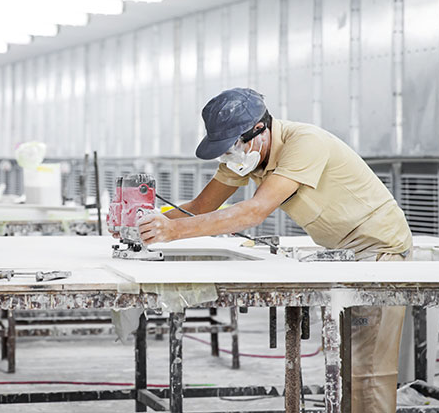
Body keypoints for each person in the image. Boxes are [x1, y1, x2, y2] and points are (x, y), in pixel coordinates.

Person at [138, 87, 412, 413]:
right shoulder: (244, 157)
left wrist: (172, 231)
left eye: (234, 146)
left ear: (260, 131)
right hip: (344, 253)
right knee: (344, 361)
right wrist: (146, 224)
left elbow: (255, 211)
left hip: (379, 251)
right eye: (224, 150)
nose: (230, 156)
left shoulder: (304, 143)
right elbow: (200, 206)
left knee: (366, 369)